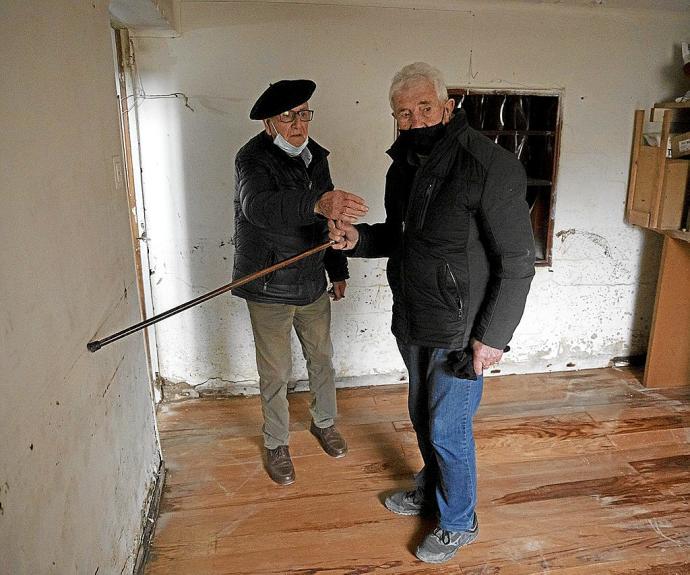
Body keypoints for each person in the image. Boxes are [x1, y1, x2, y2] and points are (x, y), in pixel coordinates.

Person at [329, 62, 535, 563]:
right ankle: (431, 487)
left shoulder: (490, 165)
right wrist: (357, 240)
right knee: (423, 416)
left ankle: (459, 520)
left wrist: (494, 337)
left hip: (464, 330)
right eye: (404, 113)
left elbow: (517, 261)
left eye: (424, 108)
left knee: (448, 427)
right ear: (395, 119)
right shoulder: (402, 167)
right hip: (416, 316)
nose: (415, 119)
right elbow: (401, 237)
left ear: (447, 106)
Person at [233, 79, 368, 486]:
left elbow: (329, 219)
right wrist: (314, 201)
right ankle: (276, 442)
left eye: (304, 113)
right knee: (275, 372)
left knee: (321, 359)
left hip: (311, 281)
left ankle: (324, 422)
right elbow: (257, 207)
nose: (298, 124)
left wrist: (338, 270)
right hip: (269, 284)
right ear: (269, 123)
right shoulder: (251, 159)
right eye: (287, 116)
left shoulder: (315, 157)